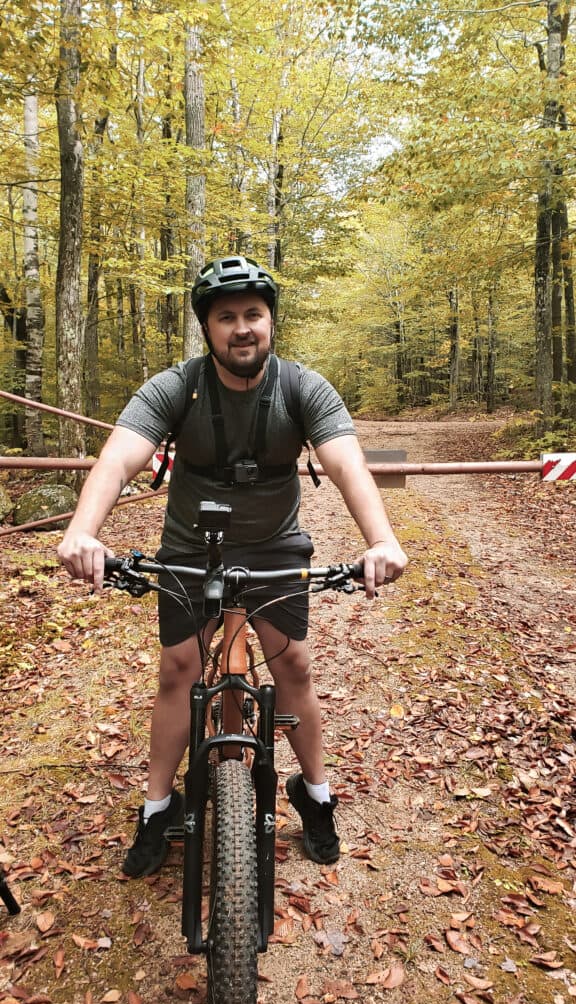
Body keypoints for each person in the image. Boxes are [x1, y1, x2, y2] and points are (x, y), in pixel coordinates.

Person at [57, 255, 408, 876]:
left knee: (294, 663)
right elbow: (117, 460)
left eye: (254, 314)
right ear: (207, 330)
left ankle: (316, 795)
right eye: (227, 318)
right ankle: (157, 806)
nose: (242, 328)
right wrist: (83, 532)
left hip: (275, 548)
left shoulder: (303, 388)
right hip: (192, 548)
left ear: (271, 321)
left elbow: (348, 463)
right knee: (179, 669)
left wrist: (381, 539)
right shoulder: (174, 387)